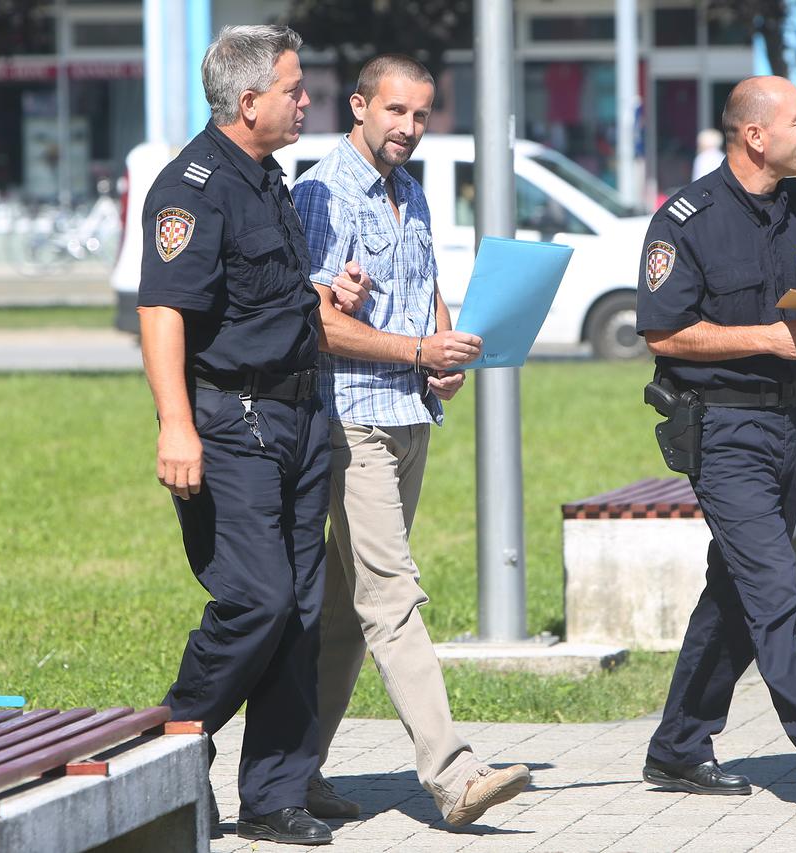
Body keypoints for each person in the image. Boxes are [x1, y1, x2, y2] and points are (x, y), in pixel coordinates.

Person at [137, 24, 368, 847]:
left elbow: (256, 290)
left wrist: (320, 291)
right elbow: (163, 310)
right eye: (295, 90)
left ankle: (273, 796)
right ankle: (169, 746)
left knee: (301, 610)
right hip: (232, 422)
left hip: (300, 413)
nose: (308, 101)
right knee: (257, 599)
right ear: (248, 102)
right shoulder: (192, 187)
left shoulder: (266, 178)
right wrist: (175, 425)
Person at [290, 54, 531, 827]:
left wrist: (444, 350)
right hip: (351, 419)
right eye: (396, 111)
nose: (409, 128)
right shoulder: (322, 191)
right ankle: (452, 774)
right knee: (391, 594)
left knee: (341, 610)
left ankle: (293, 773)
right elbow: (319, 322)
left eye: (422, 116)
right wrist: (415, 353)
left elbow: (424, 287)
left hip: (408, 417)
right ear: (359, 106)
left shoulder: (412, 192)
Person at [635, 76, 796, 812]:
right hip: (724, 428)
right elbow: (664, 330)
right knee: (775, 590)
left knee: (737, 595)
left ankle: (678, 747)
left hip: (790, 428)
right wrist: (769, 338)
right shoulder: (687, 218)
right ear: (755, 135)